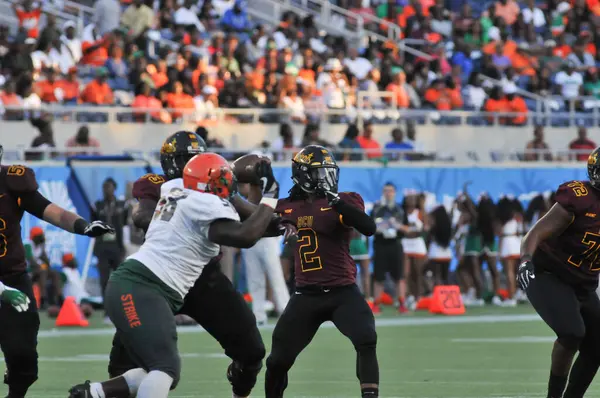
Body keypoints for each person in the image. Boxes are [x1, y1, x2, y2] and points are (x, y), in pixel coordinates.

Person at [70, 131, 285, 398]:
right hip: (153, 280)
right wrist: (268, 196)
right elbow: (245, 233)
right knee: (150, 366)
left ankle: (95, 392)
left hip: (194, 278)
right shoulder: (191, 194)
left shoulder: (192, 191)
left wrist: (267, 211)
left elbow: (263, 224)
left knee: (249, 350)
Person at [0, 144, 114, 398]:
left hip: (11, 276)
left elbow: (51, 211)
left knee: (24, 357)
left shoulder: (11, 183)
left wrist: (83, 226)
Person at [265, 145, 379, 398]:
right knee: (276, 361)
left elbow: (368, 226)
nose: (326, 179)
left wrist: (336, 202)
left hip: (342, 292)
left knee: (366, 339)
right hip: (306, 295)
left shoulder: (344, 200)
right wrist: (277, 223)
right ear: (304, 175)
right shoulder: (287, 207)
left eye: (328, 172)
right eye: (319, 173)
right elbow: (253, 229)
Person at [518, 146, 600, 398]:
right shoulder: (580, 197)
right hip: (547, 274)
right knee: (572, 332)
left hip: (583, 283)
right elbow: (537, 232)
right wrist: (525, 260)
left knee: (597, 345)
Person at [238, 180, 290, 326]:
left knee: (276, 276)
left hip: (267, 241)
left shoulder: (267, 197)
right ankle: (258, 314)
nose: (242, 188)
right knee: (254, 279)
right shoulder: (243, 201)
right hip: (251, 241)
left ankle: (285, 310)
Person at [371, 182, 413, 313]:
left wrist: (397, 225)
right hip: (380, 245)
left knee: (399, 276)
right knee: (378, 277)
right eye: (386, 191)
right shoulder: (377, 208)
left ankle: (401, 303)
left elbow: (407, 229)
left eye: (390, 191)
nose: (388, 193)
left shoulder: (399, 209)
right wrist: (380, 227)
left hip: (395, 244)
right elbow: (368, 227)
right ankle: (376, 304)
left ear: (394, 193)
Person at [93, 177, 128, 324]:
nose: (106, 190)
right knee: (104, 281)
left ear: (114, 188)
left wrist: (124, 246)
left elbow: (125, 224)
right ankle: (107, 312)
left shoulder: (121, 205)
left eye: (109, 187)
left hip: (117, 247)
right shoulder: (98, 205)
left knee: (120, 280)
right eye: (104, 187)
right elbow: (92, 224)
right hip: (102, 247)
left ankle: (122, 310)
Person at [497, 196, 523, 307]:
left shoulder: (502, 219)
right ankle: (517, 293)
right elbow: (520, 231)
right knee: (516, 271)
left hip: (507, 244)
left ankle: (511, 297)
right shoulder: (517, 216)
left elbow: (500, 234)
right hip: (516, 243)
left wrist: (499, 250)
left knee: (509, 273)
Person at [426, 205, 453, 286]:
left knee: (436, 275)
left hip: (435, 253)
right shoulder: (448, 226)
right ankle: (446, 294)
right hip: (447, 254)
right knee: (445, 276)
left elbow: (429, 239)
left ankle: (437, 294)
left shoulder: (434, 227)